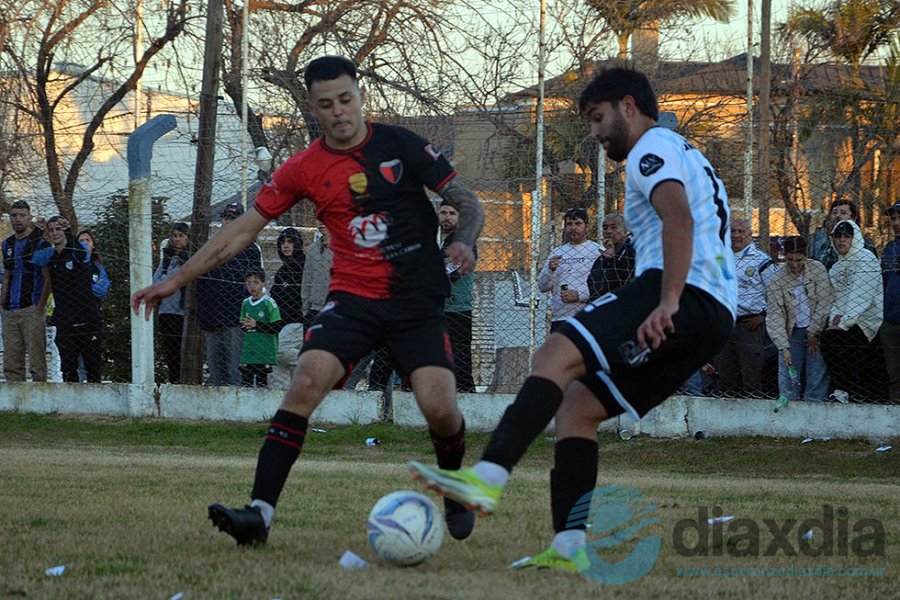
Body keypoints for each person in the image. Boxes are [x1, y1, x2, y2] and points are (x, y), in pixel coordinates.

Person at [131, 55, 485, 546]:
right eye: (326, 104)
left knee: (440, 408)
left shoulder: (401, 145)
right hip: (353, 301)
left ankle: (453, 486)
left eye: (346, 99)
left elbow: (468, 201)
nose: (339, 111)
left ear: (360, 96)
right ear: (313, 109)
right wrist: (176, 279)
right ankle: (259, 516)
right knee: (304, 382)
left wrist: (464, 240)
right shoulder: (303, 168)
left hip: (416, 302)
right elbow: (242, 230)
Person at [408, 66, 736, 572]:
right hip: (715, 313)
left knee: (554, 354)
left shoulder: (650, 150)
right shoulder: (683, 150)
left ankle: (486, 479)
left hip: (679, 292)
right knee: (578, 408)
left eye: (598, 118)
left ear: (629, 106)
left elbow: (679, 219)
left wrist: (668, 301)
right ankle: (568, 545)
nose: (595, 133)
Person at [196, 202, 263, 386]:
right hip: (212, 316)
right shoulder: (212, 246)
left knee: (235, 369)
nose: (229, 222)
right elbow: (202, 282)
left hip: (235, 318)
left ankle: (237, 400)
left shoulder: (250, 249)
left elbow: (254, 284)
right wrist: (204, 312)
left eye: (234, 219)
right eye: (226, 218)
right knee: (215, 368)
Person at [31, 217, 102, 382]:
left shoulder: (78, 251)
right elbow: (34, 257)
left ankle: (96, 398)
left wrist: (69, 231)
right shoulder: (50, 256)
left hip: (87, 318)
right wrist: (37, 233)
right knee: (68, 368)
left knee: (92, 367)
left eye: (58, 229)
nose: (54, 233)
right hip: (65, 319)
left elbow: (82, 252)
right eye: (51, 230)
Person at [820, 220, 884, 402]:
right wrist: (834, 319)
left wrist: (844, 322)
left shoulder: (866, 259)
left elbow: (861, 296)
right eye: (838, 236)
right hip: (843, 321)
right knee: (829, 342)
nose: (842, 241)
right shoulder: (836, 268)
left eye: (847, 236)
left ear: (854, 238)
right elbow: (835, 298)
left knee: (848, 351)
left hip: (866, 320)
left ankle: (852, 394)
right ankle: (843, 392)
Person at [765, 236, 832, 402]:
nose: (795, 265)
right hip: (792, 333)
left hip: (816, 331)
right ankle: (789, 407)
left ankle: (815, 407)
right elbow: (775, 315)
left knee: (816, 376)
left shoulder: (817, 269)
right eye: (790, 260)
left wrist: (813, 330)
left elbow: (825, 302)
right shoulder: (777, 279)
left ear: (806, 256)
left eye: (799, 260)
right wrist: (783, 347)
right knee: (788, 377)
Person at [715, 217, 776, 397]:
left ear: (750, 234)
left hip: (749, 324)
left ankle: (754, 406)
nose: (736, 235)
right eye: (733, 231)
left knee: (750, 373)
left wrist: (763, 315)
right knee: (724, 372)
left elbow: (775, 291)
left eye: (741, 232)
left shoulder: (761, 261)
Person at [0, 200, 51, 382]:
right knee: (11, 362)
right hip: (9, 310)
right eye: (14, 216)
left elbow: (47, 278)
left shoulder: (40, 243)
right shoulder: (7, 244)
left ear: (29, 217)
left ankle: (40, 396)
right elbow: (7, 275)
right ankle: (15, 397)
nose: (18, 219)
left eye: (22, 215)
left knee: (36, 360)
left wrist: (40, 306)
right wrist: (2, 305)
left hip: (31, 307)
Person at [538, 207, 602, 332]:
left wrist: (580, 295)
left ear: (586, 226)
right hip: (560, 318)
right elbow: (542, 287)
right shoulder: (557, 253)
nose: (573, 228)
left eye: (578, 223)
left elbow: (605, 287)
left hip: (588, 316)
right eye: (569, 224)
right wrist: (550, 270)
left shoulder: (597, 251)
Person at [439, 199, 477, 392]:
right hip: (438, 307)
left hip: (458, 307)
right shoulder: (437, 239)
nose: (447, 217)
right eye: (444, 212)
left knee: (460, 354)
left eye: (452, 214)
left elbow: (454, 273)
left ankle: (466, 392)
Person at [153, 222, 190, 383]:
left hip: (183, 311)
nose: (177, 239)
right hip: (166, 311)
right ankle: (174, 382)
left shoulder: (191, 257)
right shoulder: (167, 258)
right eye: (174, 236)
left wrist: (168, 279)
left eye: (181, 236)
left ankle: (185, 382)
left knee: (184, 351)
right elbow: (155, 282)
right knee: (170, 352)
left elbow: (182, 278)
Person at [270, 227, 306, 387]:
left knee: (279, 350)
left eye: (290, 242)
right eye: (282, 242)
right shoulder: (282, 271)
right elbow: (275, 298)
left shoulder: (305, 266)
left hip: (299, 321)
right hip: (281, 323)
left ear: (297, 244)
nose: (285, 245)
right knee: (276, 367)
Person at [239, 269, 283, 388]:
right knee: (246, 383)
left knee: (261, 384)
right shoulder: (245, 303)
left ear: (263, 283)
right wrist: (244, 325)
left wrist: (256, 325)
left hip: (264, 350)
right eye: (249, 283)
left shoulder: (269, 302)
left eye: (256, 282)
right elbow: (242, 323)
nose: (252, 286)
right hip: (249, 350)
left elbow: (277, 326)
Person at [815, 199, 877, 270]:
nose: (838, 216)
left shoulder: (864, 245)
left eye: (843, 213)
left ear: (853, 218)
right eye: (834, 213)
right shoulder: (825, 245)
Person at [586, 212, 635, 301]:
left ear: (625, 230)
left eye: (614, 227)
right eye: (605, 228)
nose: (608, 231)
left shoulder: (633, 251)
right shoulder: (601, 258)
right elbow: (592, 282)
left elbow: (628, 277)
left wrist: (613, 260)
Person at [881, 201, 900, 403]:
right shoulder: (889, 249)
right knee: (893, 373)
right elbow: (883, 283)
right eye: (894, 219)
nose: (896, 223)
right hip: (891, 320)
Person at [301, 222, 332, 328]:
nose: (321, 222)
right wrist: (305, 310)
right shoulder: (312, 249)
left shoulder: (342, 249)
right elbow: (307, 280)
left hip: (335, 307)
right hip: (314, 308)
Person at [76, 229, 111, 306]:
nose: (84, 243)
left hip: (93, 308)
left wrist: (83, 285)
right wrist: (93, 285)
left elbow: (102, 291)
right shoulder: (72, 264)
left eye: (87, 240)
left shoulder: (98, 267)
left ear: (93, 246)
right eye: (81, 241)